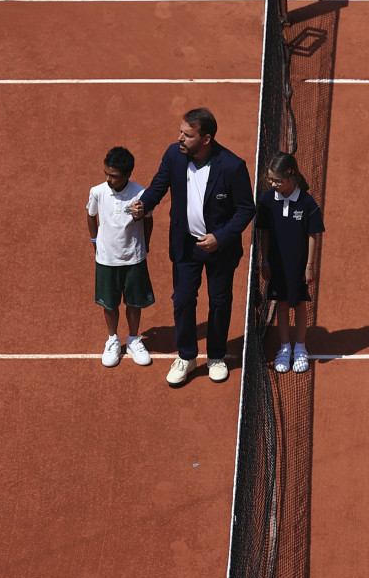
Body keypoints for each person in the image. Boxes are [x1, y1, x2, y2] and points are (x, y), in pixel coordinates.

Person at [130, 108, 255, 387]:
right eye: (181, 132)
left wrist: (219, 237)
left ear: (206, 138)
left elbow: (246, 209)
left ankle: (216, 356)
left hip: (219, 249)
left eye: (187, 135)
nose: (180, 139)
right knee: (183, 299)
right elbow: (158, 186)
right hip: (186, 245)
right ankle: (186, 356)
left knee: (219, 301)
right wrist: (144, 204)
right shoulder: (174, 155)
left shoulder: (232, 166)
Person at [87, 146, 155, 367]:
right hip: (106, 259)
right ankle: (113, 339)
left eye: (114, 176)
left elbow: (148, 220)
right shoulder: (97, 191)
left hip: (134, 258)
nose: (108, 179)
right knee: (110, 304)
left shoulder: (141, 194)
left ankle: (134, 338)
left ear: (127, 175)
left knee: (134, 302)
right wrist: (95, 242)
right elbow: (91, 215)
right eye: (106, 173)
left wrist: (145, 246)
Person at [256, 152, 324, 373]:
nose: (273, 183)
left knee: (299, 305)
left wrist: (309, 266)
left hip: (298, 265)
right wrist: (265, 260)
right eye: (270, 179)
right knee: (282, 305)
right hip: (275, 264)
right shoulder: (267, 201)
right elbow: (264, 232)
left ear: (290, 175)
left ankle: (301, 348)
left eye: (277, 180)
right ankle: (285, 348)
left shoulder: (306, 202)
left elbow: (313, 234)